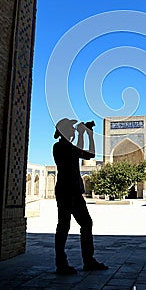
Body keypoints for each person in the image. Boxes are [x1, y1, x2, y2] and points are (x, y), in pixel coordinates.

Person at [53, 117, 108, 274]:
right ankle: (68, 262)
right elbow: (84, 152)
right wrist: (84, 133)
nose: (72, 131)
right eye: (70, 129)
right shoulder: (60, 147)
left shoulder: (67, 146)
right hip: (68, 191)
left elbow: (90, 154)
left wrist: (88, 134)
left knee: (75, 225)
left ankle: (81, 261)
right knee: (68, 225)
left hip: (71, 191)